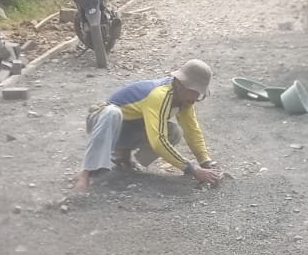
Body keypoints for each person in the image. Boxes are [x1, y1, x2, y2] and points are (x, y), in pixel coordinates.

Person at [73, 60, 224, 190]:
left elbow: (192, 130)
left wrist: (205, 162)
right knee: (113, 112)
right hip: (102, 122)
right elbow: (158, 141)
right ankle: (85, 172)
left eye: (199, 93)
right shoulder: (159, 95)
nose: (197, 96)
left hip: (126, 127)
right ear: (180, 84)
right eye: (194, 91)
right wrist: (192, 169)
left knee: (174, 132)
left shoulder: (184, 100)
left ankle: (122, 158)